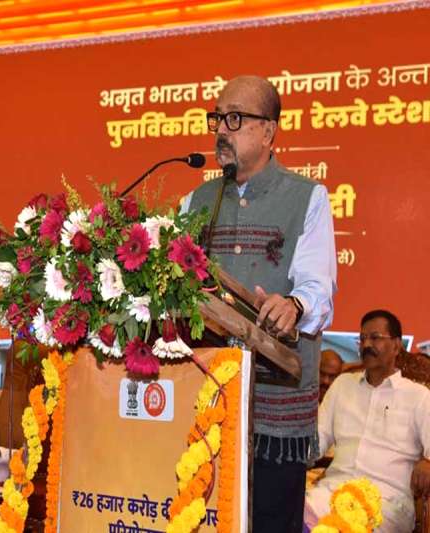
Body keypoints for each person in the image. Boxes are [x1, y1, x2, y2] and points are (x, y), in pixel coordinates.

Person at [182, 75, 337, 532]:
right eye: (216, 118)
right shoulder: (195, 201)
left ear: (268, 131)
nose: (220, 130)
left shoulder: (307, 197)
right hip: (207, 399)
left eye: (235, 119)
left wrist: (293, 306)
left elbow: (317, 287)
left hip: (275, 410)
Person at [305, 310, 430, 532]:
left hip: (386, 503)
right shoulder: (343, 385)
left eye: (375, 338)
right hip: (332, 493)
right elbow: (317, 441)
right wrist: (288, 453)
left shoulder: (419, 396)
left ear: (396, 345)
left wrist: (428, 462)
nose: (366, 345)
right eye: (362, 339)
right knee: (287, 516)